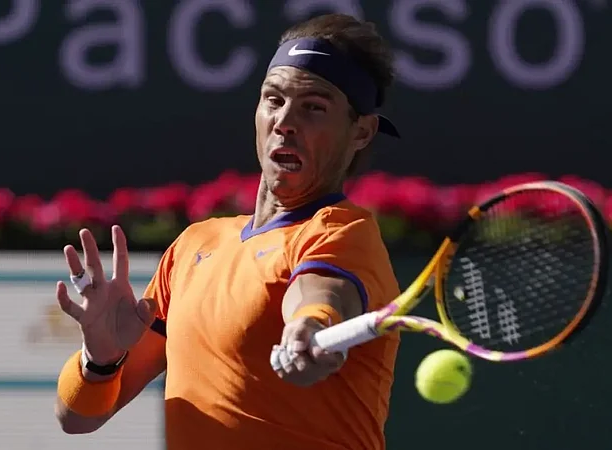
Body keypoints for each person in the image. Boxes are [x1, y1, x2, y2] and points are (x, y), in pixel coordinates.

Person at [54, 13, 402, 450]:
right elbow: (78, 418)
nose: (285, 121)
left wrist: (311, 324)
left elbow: (321, 292)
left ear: (361, 131)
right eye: (273, 99)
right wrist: (100, 361)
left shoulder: (343, 231)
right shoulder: (194, 246)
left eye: (314, 107)